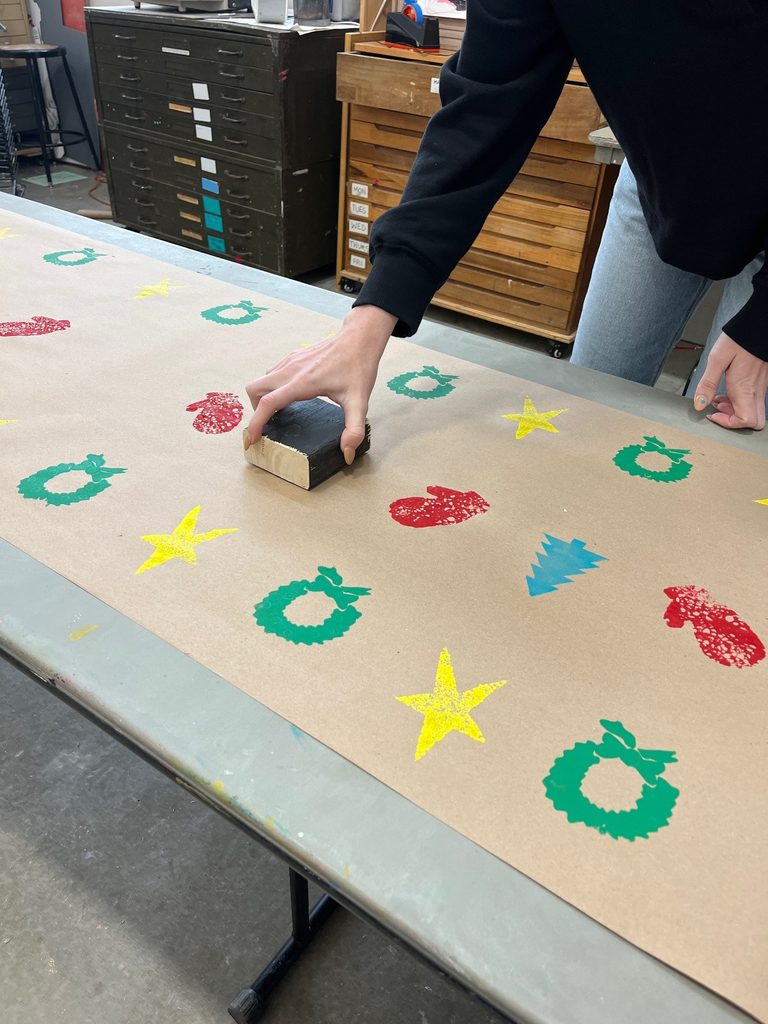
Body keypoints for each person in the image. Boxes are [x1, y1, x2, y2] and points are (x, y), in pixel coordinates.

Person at [245, 0, 768, 460]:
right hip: (665, 174)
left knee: (730, 437)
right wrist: (368, 320)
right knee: (589, 402)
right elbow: (482, 114)